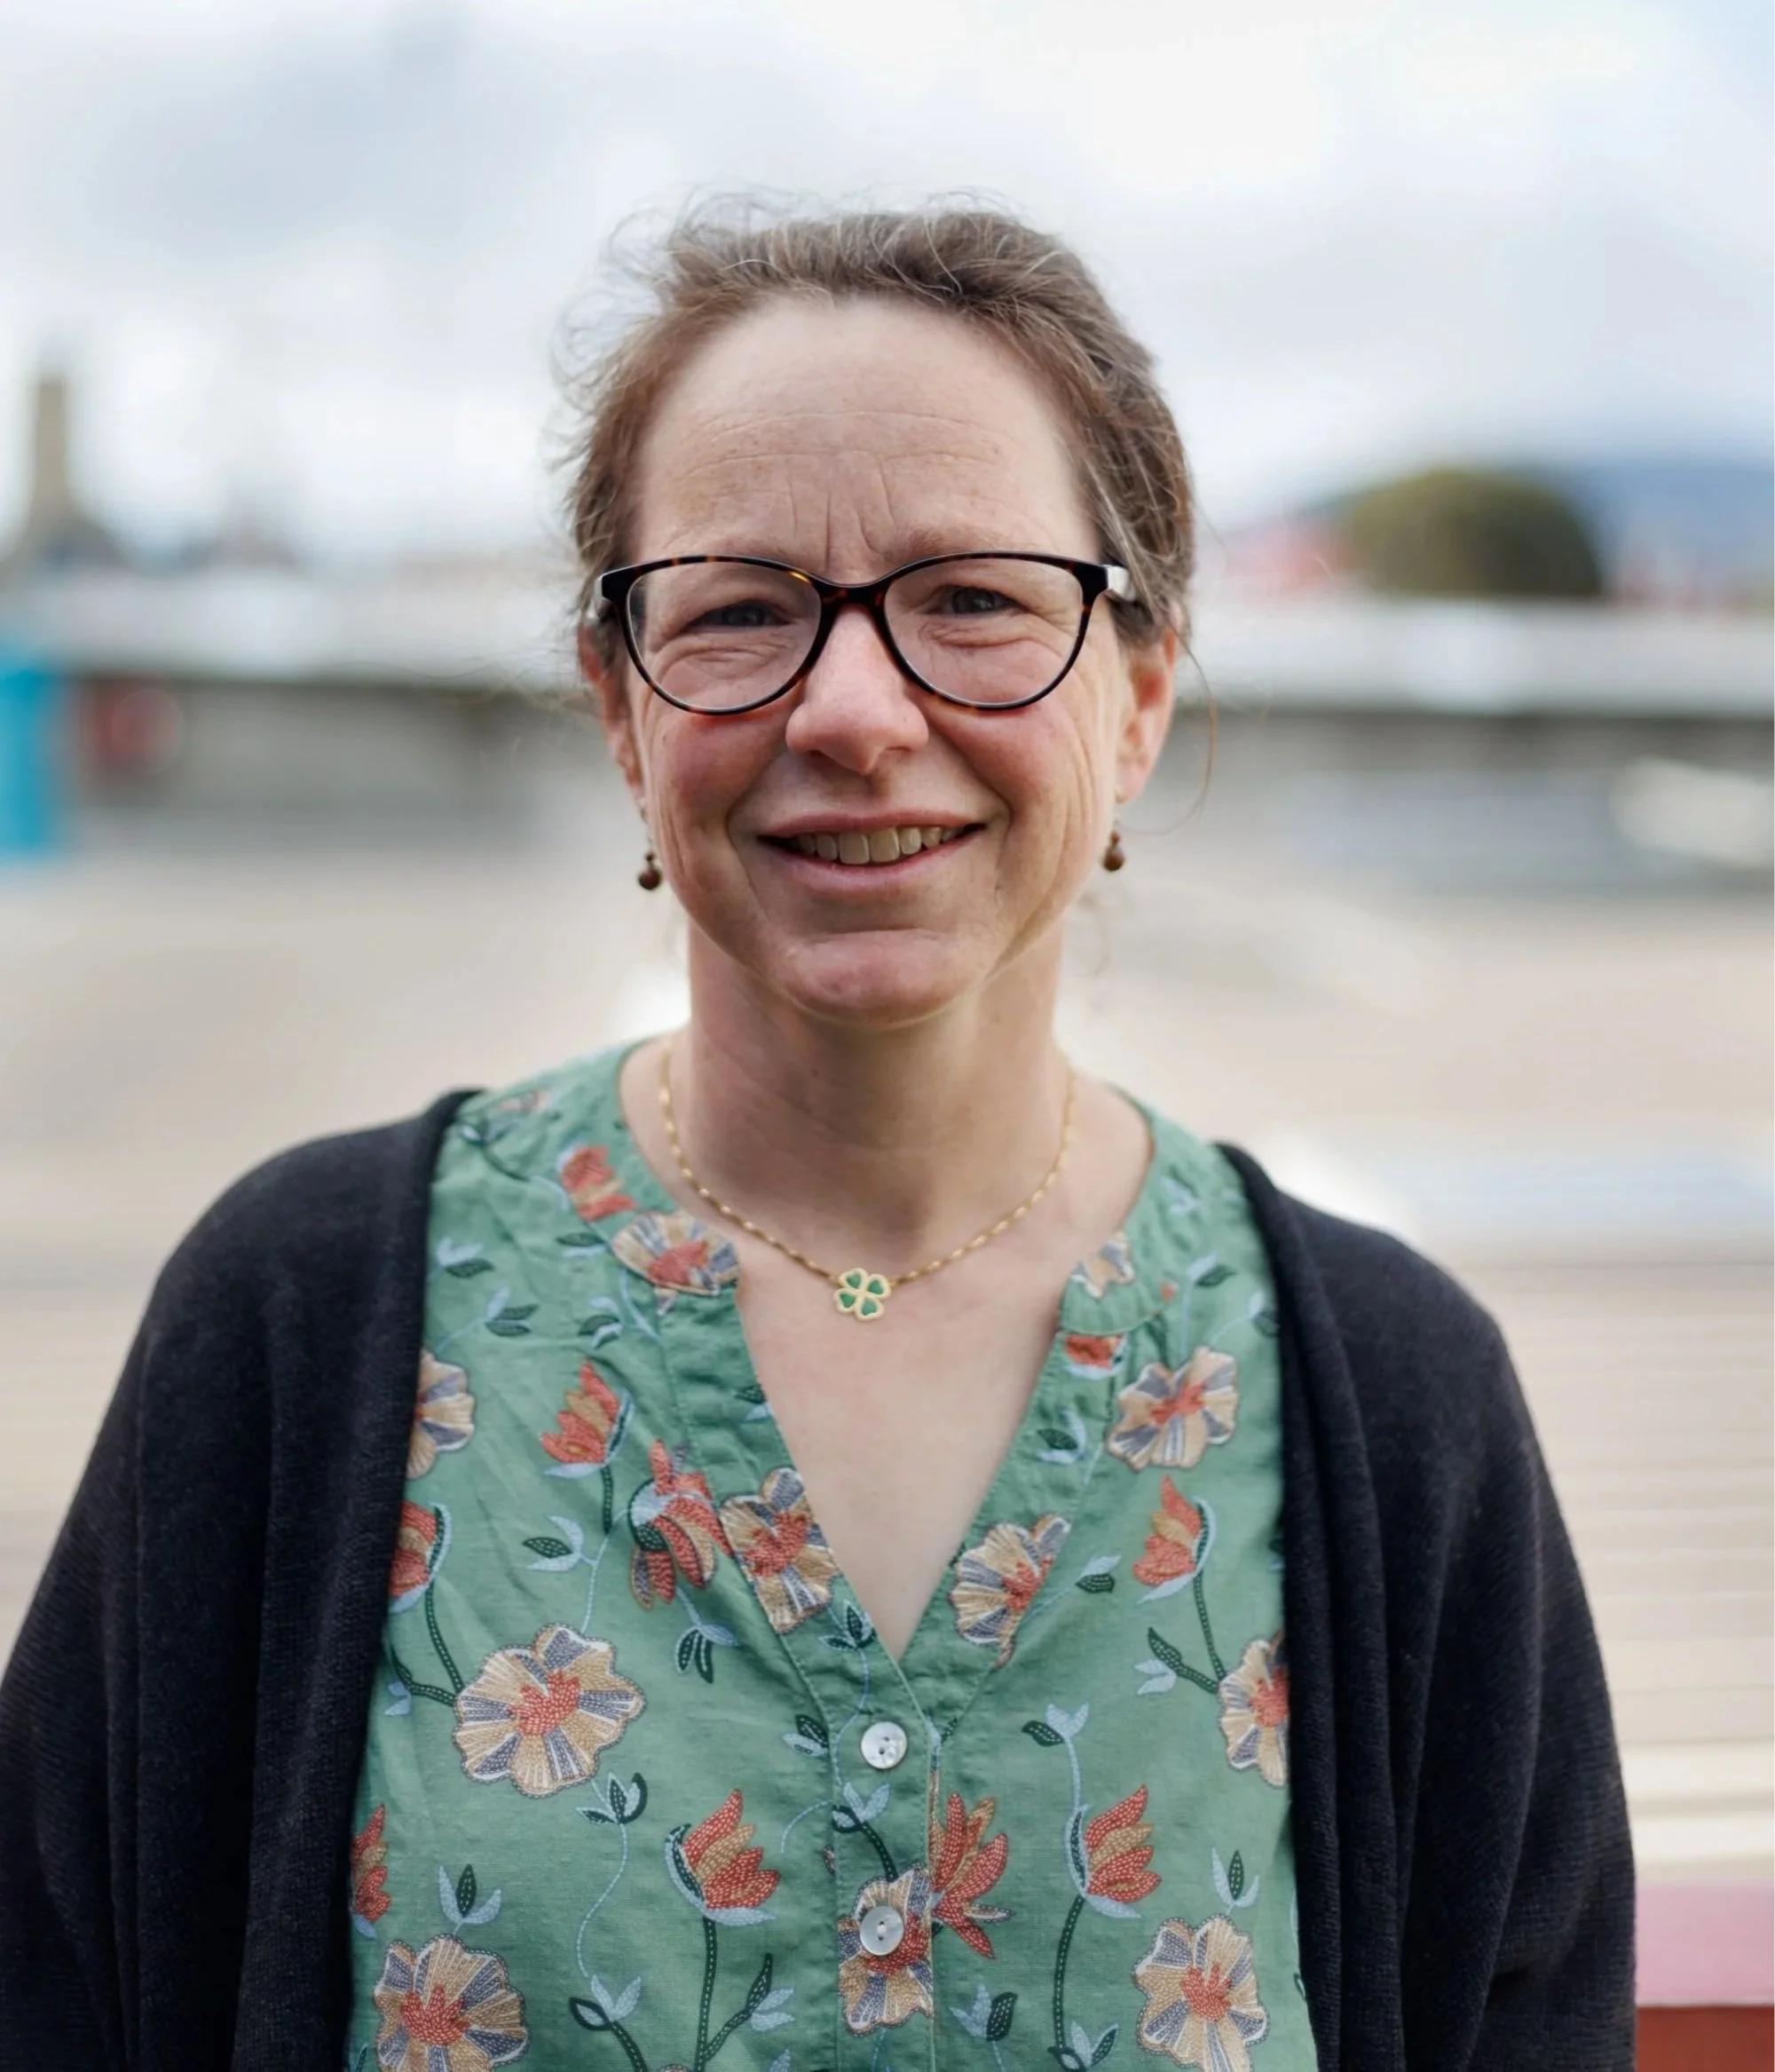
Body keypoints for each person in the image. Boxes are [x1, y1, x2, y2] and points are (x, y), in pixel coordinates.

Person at [0, 203, 1632, 2072]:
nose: (855, 712)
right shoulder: (299, 1322)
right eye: (741, 612)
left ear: (1143, 686)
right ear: (621, 707)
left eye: (973, 600)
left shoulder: (1392, 1403)